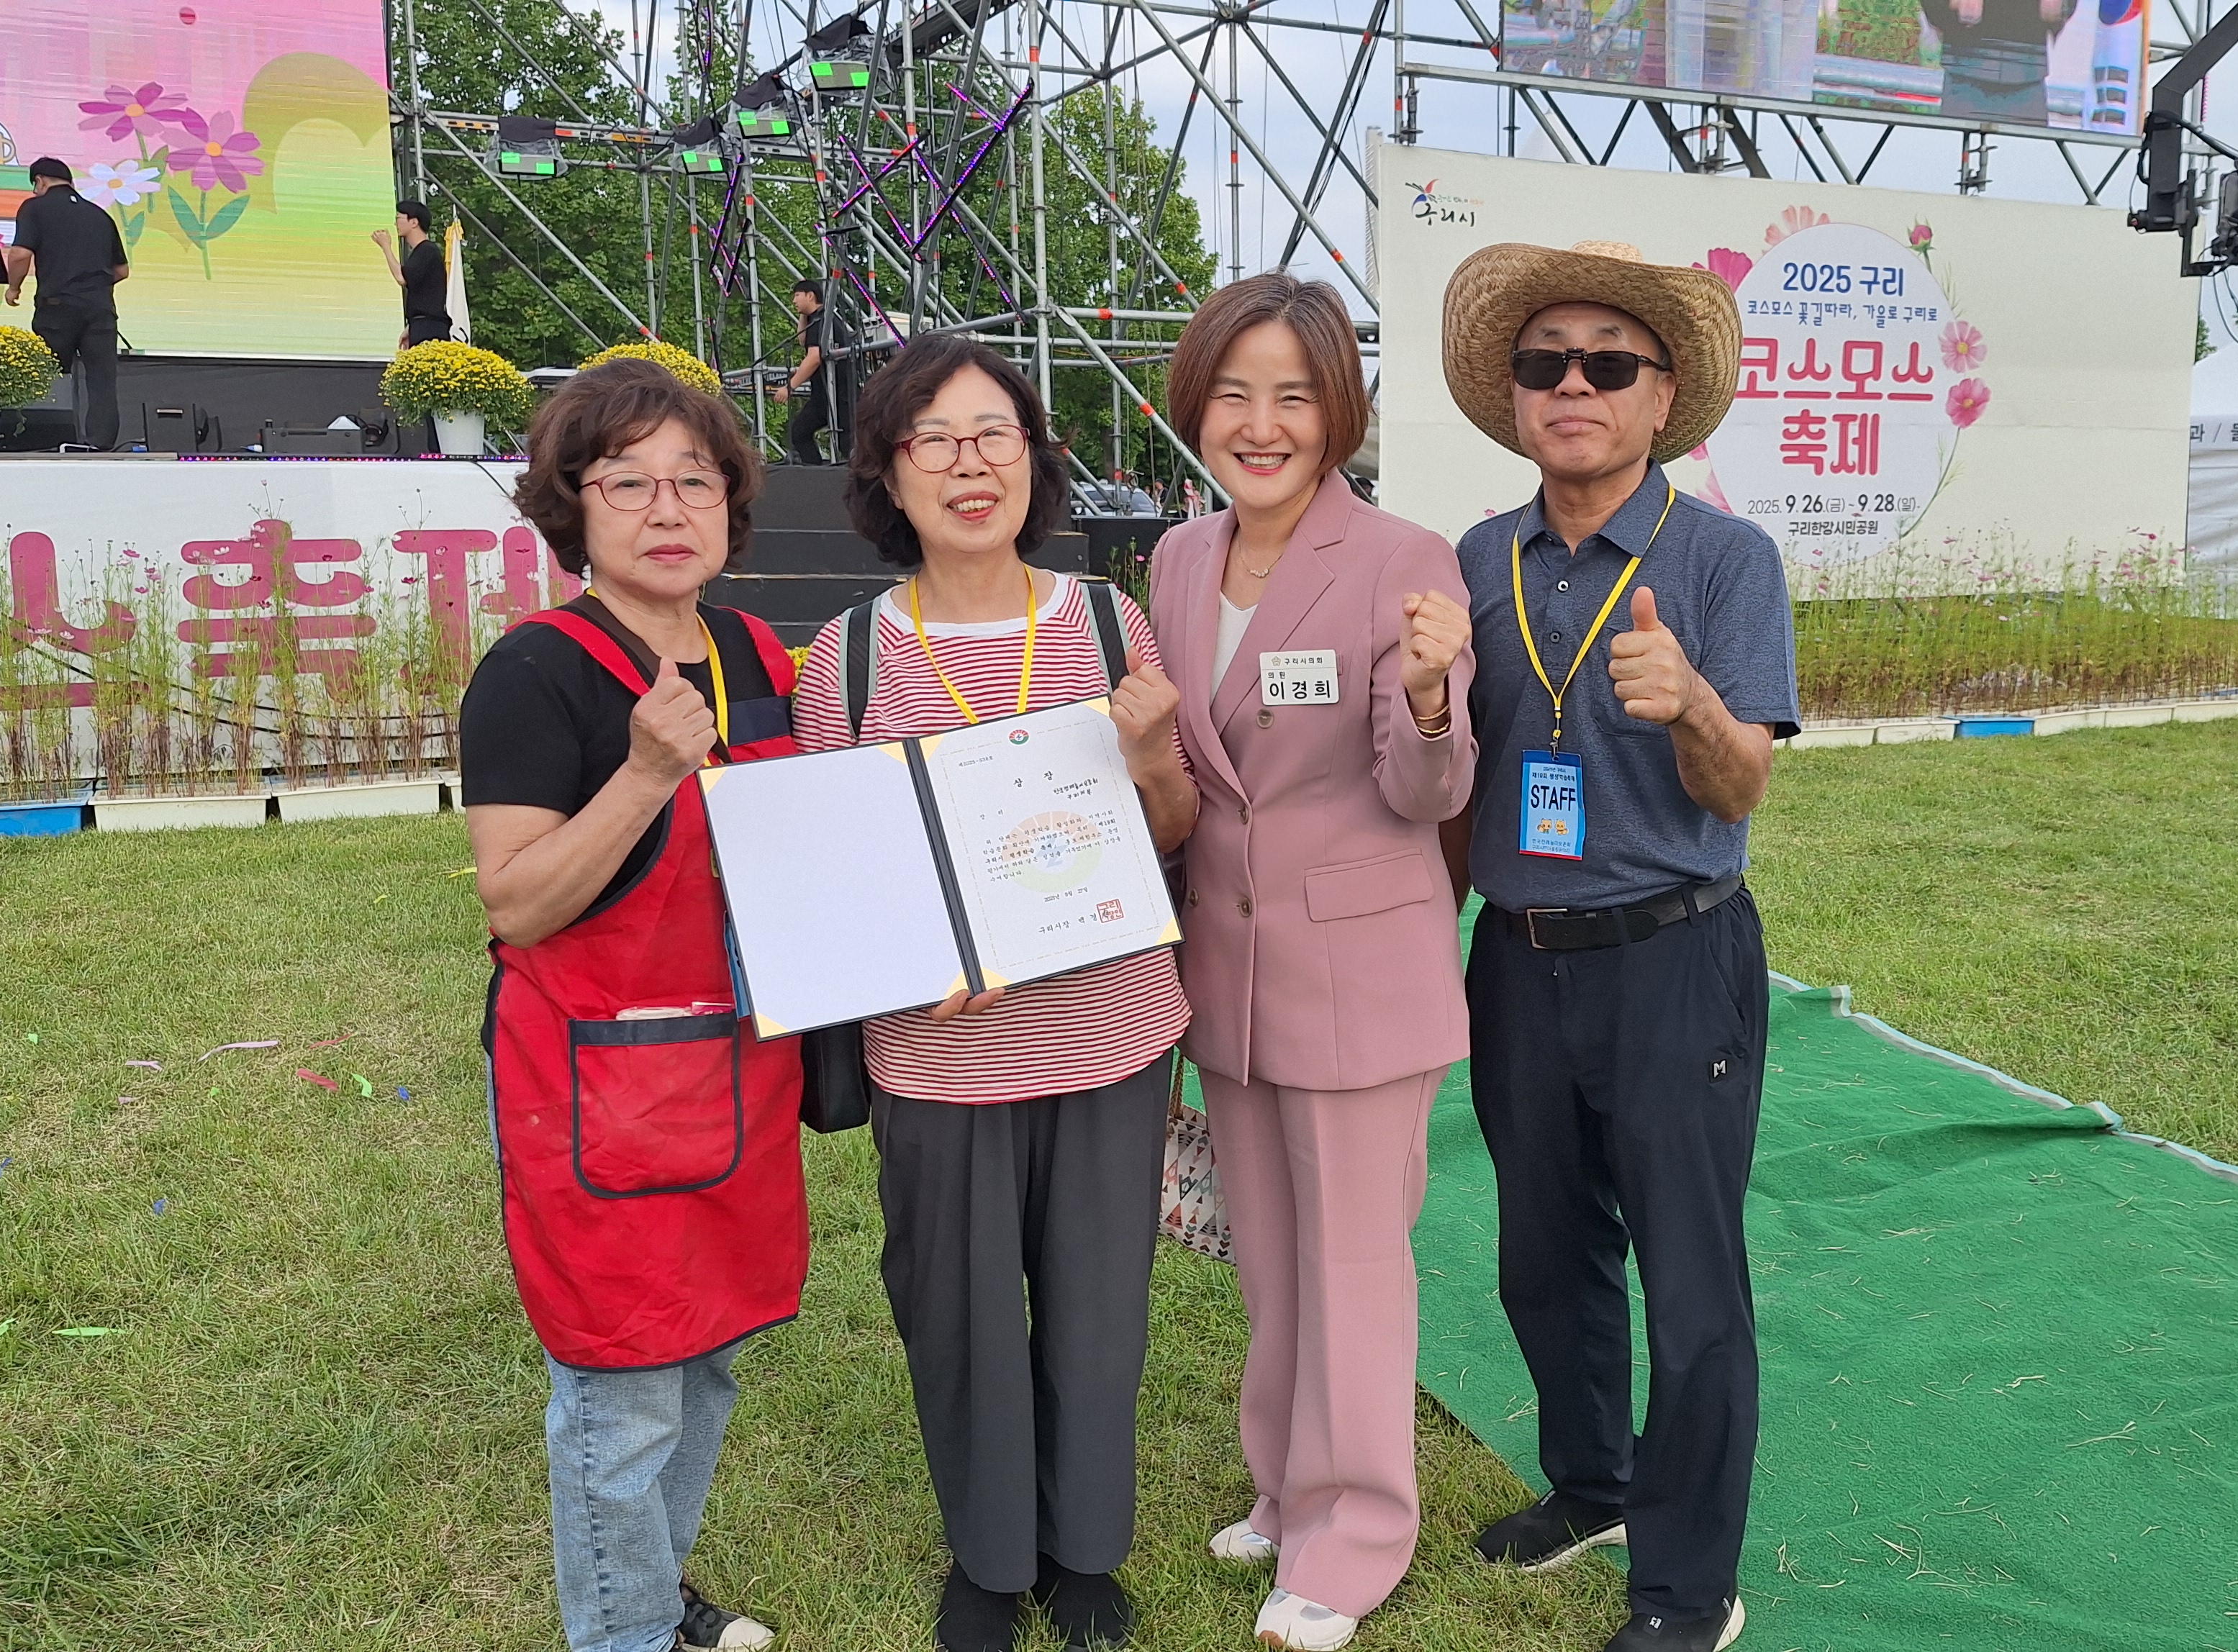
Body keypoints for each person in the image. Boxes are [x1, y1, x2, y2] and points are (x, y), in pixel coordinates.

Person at [789, 334, 1195, 1652]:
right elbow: (843, 875)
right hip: (939, 1055)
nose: (969, 466)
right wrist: (914, 960)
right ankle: (989, 1555)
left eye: (994, 436)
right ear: (888, 473)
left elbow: (1173, 830)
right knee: (957, 1318)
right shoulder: (846, 660)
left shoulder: (1109, 623)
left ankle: (1085, 1555)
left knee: (1097, 1316)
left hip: (1108, 1034)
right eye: (934, 440)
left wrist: (1153, 756)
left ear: (1034, 458)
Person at [1436, 240, 1797, 1652]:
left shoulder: (1723, 560)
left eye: (1607, 364)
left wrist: (1694, 699)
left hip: (1673, 953)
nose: (1573, 386)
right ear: (1517, 395)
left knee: (1690, 1278)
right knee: (1544, 1249)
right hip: (1518, 956)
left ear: (1662, 400)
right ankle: (1592, 1485)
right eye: (1547, 363)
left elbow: (1741, 786)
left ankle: (1688, 1587)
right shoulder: (1477, 560)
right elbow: (1453, 780)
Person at [1147, 274, 1477, 1652]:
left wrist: (1429, 694)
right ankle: (1288, 1490)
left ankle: (1356, 1538)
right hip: (1228, 976)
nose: (1262, 423)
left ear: (1337, 409)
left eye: (1293, 394)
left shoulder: (1405, 558)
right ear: (1197, 407)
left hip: (1360, 976)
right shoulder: (1177, 559)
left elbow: (1427, 791)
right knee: (1274, 1261)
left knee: (1354, 1266)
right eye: (1234, 393)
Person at [458, 358, 803, 1652]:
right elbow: (517, 901)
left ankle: (650, 1596)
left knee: (704, 1361)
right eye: (627, 483)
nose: (667, 509)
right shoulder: (535, 673)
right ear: (574, 507)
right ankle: (624, 1635)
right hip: (596, 1085)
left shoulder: (753, 651)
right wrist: (648, 773)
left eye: (694, 481)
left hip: (735, 1070)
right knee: (621, 1386)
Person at [1, 157, 124, 452]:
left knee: (51, 375)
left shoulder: (35, 208)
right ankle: (100, 444)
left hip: (58, 306)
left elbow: (20, 254)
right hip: (100, 310)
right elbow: (122, 270)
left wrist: (14, 287)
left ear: (40, 181)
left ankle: (50, 440)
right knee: (102, 379)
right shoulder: (100, 215)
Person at [1918, 0, 2076, 126]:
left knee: (2026, 151)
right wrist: (1952, 4)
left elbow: (2064, 7)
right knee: (1960, 148)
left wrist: (2062, 6)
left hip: (2027, 75)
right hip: (1966, 74)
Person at [770, 278, 841, 464]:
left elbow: (814, 358)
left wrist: (789, 387)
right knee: (800, 432)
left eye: (797, 296)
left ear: (810, 296)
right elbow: (803, 340)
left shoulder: (823, 320)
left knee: (845, 439)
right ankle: (816, 471)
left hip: (837, 392)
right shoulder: (815, 319)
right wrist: (804, 314)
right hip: (823, 394)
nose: (794, 301)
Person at [372, 200, 454, 351]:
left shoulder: (427, 250)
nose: (396, 223)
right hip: (422, 325)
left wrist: (386, 247)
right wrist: (411, 327)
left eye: (399, 218)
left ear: (414, 222)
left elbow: (401, 277)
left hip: (429, 329)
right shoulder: (422, 252)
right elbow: (426, 296)